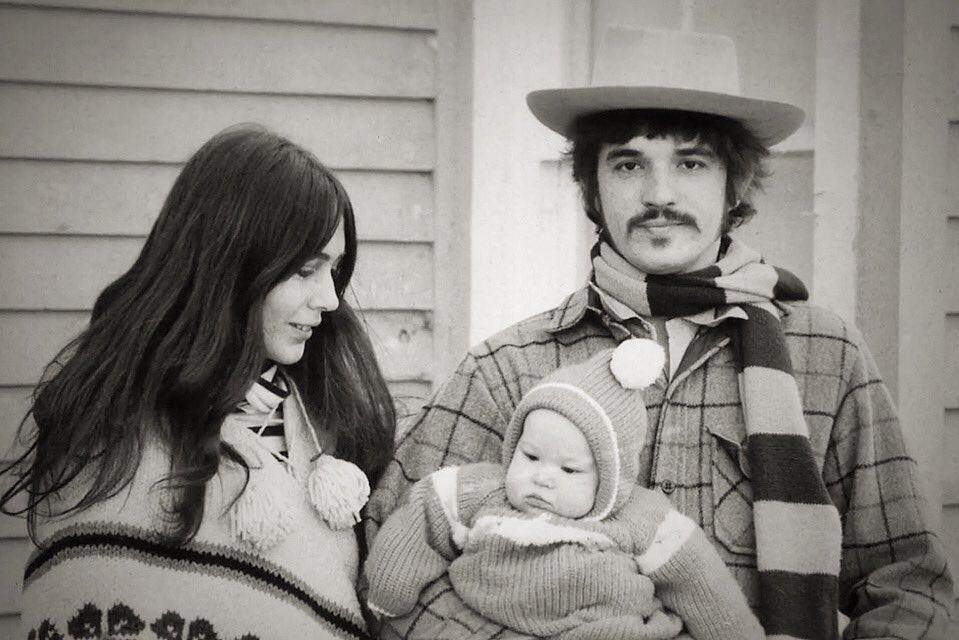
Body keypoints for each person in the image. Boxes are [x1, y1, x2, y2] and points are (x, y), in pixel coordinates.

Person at [366, 26, 954, 640]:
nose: (659, 194)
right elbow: (394, 557)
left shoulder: (824, 354)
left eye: (691, 162)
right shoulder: (509, 366)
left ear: (736, 183)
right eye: (628, 163)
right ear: (592, 186)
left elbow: (908, 586)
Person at [0, 124, 395, 640]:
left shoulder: (328, 422)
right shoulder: (110, 426)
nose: (330, 298)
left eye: (334, 270)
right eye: (304, 270)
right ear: (231, 264)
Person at [366, 339, 766, 640]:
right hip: (487, 622)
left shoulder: (637, 518)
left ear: (611, 481)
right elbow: (424, 514)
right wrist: (391, 589)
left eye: (570, 469)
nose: (543, 477)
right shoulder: (484, 493)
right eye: (531, 456)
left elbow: (699, 579)